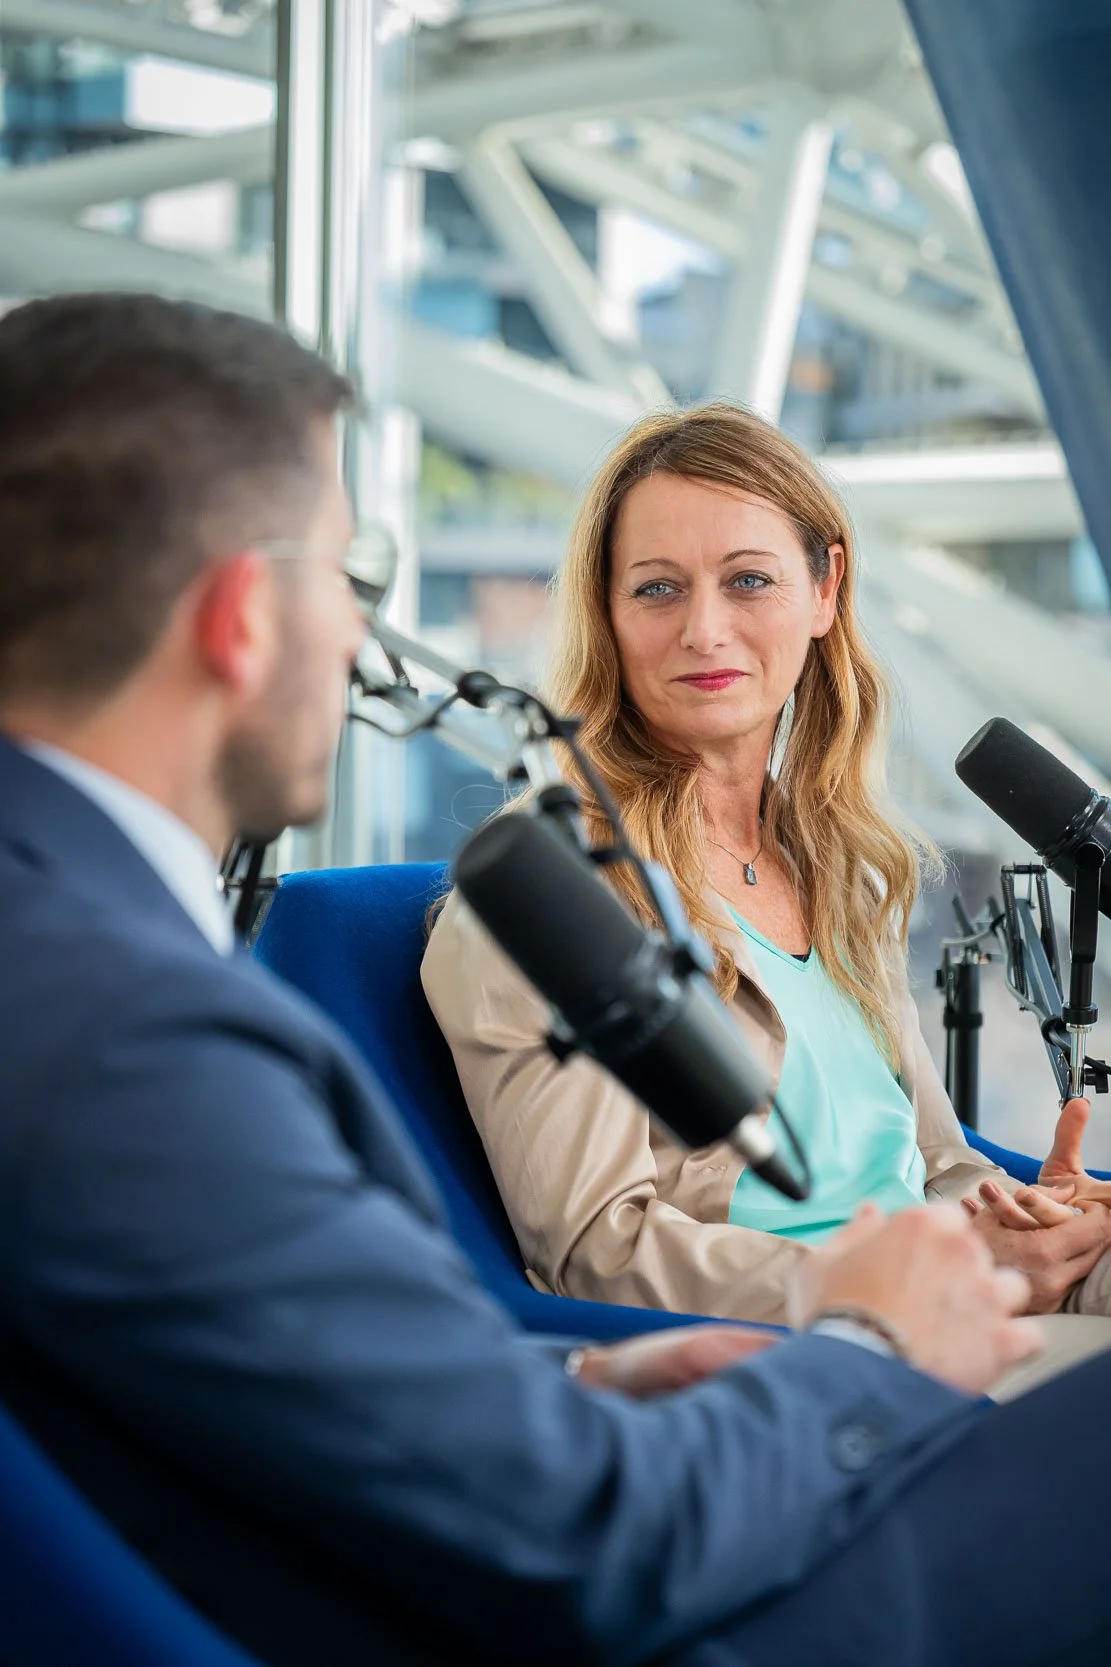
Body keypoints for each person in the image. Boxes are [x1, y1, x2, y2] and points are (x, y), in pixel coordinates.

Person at [1, 292, 1111, 1667]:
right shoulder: (124, 1034)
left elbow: (270, 1384)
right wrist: (871, 1341)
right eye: (350, 582)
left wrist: (580, 1378)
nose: (365, 651)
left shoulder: (75, 964)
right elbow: (586, 1532)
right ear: (244, 615)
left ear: (824, 592)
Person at [422, 404, 1111, 1366]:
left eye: (748, 580)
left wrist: (1043, 1228)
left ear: (825, 589)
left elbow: (935, 1168)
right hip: (791, 1356)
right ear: (607, 615)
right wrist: (913, 1276)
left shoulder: (836, 861)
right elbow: (595, 1250)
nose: (704, 629)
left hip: (940, 1311)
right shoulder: (552, 896)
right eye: (657, 589)